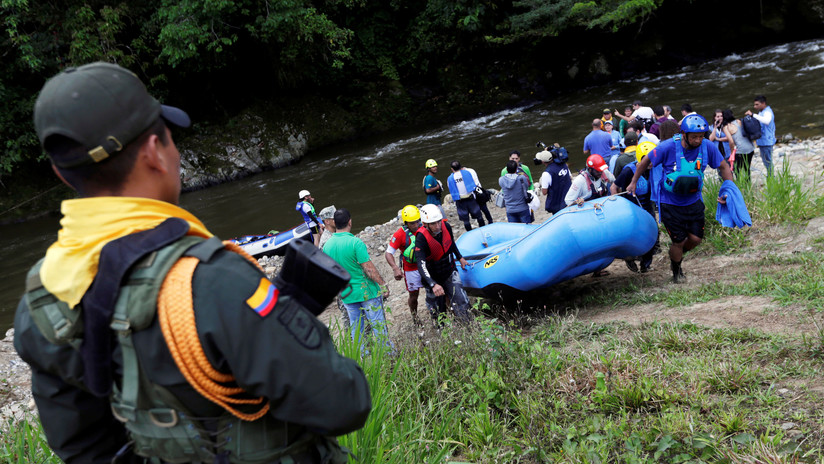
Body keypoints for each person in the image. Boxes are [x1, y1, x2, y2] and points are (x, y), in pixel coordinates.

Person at [14, 62, 370, 464]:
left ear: (62, 174)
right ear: (154, 153)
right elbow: (345, 401)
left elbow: (84, 449)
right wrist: (288, 320)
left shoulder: (41, 298)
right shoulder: (214, 280)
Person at [626, 114, 734, 283]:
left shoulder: (707, 147)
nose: (698, 140)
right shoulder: (667, 147)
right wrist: (633, 182)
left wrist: (729, 190)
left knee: (696, 239)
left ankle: (676, 256)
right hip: (670, 204)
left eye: (701, 136)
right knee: (679, 241)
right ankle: (676, 271)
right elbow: (645, 161)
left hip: (693, 201)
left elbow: (723, 166)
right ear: (684, 134)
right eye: (694, 137)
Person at [323, 208, 393, 353]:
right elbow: (369, 269)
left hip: (347, 295)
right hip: (367, 292)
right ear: (350, 221)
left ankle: (363, 356)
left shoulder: (327, 246)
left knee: (357, 329)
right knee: (378, 325)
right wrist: (383, 284)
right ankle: (388, 355)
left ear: (335, 223)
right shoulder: (355, 242)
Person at [414, 204, 472, 325]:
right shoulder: (421, 238)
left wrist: (460, 257)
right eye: (433, 224)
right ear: (426, 224)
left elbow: (450, 244)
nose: (437, 226)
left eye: (438, 222)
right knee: (437, 309)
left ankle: (467, 326)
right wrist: (433, 284)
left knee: (461, 300)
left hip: (449, 271)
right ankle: (441, 329)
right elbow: (421, 264)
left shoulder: (446, 226)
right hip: (432, 276)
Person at [611, 141, 660, 273]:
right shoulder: (628, 170)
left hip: (648, 207)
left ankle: (646, 265)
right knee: (634, 236)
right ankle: (629, 258)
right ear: (640, 158)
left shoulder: (654, 169)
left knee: (652, 233)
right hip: (632, 209)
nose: (650, 162)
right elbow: (613, 187)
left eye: (652, 159)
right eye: (647, 159)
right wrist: (617, 205)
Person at [384, 205, 425, 326]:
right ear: (406, 223)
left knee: (434, 290)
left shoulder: (425, 227)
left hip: (426, 265)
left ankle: (438, 313)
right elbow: (388, 253)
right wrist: (395, 268)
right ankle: (415, 317)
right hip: (410, 269)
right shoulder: (400, 234)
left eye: (417, 222)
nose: (416, 225)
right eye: (412, 223)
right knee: (413, 296)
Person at [447, 160, 486, 231]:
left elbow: (450, 188)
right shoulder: (467, 173)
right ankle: (483, 229)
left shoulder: (450, 178)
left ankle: (469, 233)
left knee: (466, 220)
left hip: (460, 200)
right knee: (479, 216)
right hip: (470, 198)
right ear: (460, 167)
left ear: (452, 169)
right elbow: (473, 184)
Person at [535, 144, 572, 215]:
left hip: (557, 203)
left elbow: (544, 192)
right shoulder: (564, 165)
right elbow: (570, 177)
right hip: (569, 199)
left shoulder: (546, 173)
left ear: (542, 161)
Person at [746, 95, 776, 176]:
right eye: (754, 104)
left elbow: (766, 121)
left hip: (767, 141)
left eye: (757, 104)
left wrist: (753, 115)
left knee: (768, 161)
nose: (755, 106)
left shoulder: (767, 112)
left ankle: (771, 177)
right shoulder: (761, 112)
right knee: (766, 161)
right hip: (762, 141)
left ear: (763, 103)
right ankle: (770, 176)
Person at [724, 109, 756, 180]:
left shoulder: (726, 127)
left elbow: (731, 142)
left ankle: (740, 184)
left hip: (741, 150)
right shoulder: (739, 121)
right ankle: (748, 183)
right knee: (747, 168)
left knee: (737, 169)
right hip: (750, 148)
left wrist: (732, 152)